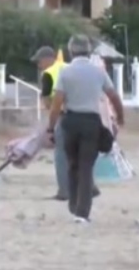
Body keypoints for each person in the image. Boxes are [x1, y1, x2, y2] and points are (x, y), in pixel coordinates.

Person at [46, 35, 124, 224]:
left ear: (71, 51)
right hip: (91, 122)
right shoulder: (98, 72)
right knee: (86, 167)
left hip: (71, 121)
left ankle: (73, 205)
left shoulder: (65, 72)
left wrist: (51, 127)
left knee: (72, 164)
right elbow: (114, 96)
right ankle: (83, 212)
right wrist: (120, 117)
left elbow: (57, 103)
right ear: (89, 51)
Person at [33, 46, 100, 202]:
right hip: (85, 116)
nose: (38, 65)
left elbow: (49, 102)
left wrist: (51, 125)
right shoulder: (69, 67)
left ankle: (64, 191)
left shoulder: (48, 74)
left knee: (62, 155)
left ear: (48, 59)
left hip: (65, 117)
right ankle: (90, 187)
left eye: (39, 61)